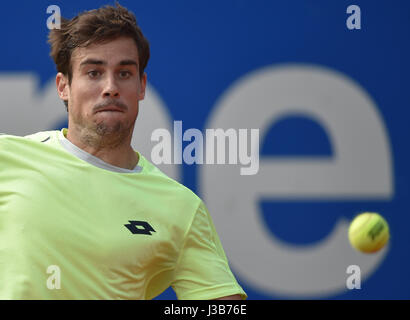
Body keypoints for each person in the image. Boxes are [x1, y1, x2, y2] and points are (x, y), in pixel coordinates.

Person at [0, 3, 246, 300]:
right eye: (93, 72)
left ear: (141, 86)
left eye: (124, 73)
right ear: (63, 86)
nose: (110, 87)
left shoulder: (181, 207)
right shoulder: (7, 157)